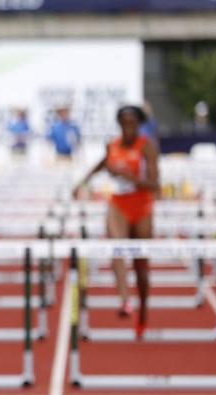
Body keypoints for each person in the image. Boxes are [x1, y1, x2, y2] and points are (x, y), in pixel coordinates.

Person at [73, 104, 160, 338]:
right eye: (123, 122)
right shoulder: (112, 145)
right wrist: (82, 182)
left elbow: (155, 185)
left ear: (139, 124)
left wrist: (127, 176)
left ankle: (142, 311)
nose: (127, 126)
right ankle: (125, 301)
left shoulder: (147, 147)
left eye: (132, 122)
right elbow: (102, 164)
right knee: (116, 247)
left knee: (141, 269)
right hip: (119, 204)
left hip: (141, 206)